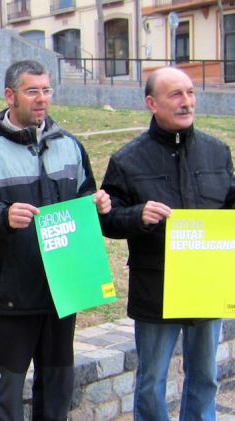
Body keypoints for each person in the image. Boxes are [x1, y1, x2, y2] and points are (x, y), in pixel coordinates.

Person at [0, 60, 111, 420]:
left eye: (47, 90)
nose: (42, 99)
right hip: (9, 300)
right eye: (32, 91)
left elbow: (85, 198)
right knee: (5, 400)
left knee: (56, 398)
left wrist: (96, 204)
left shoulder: (70, 146)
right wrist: (2, 216)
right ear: (10, 95)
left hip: (62, 295)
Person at [100, 66, 235, 421]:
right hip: (155, 288)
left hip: (207, 286)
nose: (186, 101)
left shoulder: (217, 151)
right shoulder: (127, 160)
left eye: (190, 93)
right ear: (151, 103)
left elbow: (228, 206)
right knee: (151, 381)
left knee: (205, 377)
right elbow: (106, 221)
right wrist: (137, 216)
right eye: (175, 94)